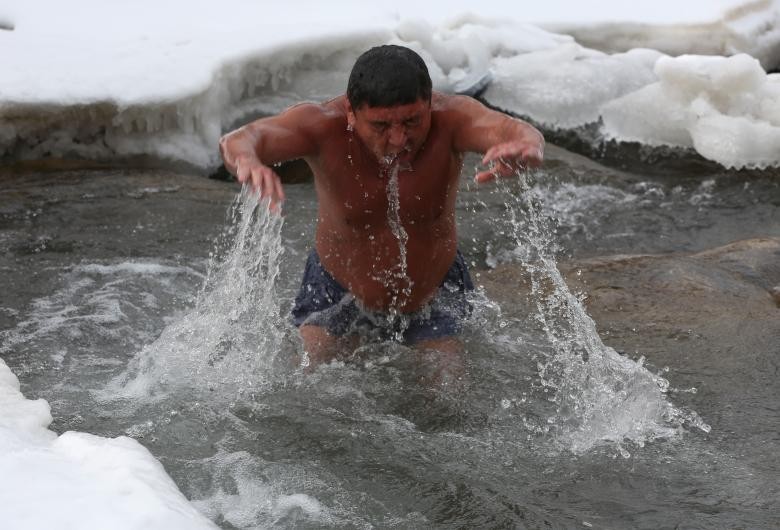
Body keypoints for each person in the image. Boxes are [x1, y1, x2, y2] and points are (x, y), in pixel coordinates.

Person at [219, 45, 544, 371]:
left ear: (430, 103)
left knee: (449, 392)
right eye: (381, 126)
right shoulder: (320, 126)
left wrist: (528, 144)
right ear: (350, 111)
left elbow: (509, 128)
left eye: (413, 121)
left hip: (433, 287)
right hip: (337, 285)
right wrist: (246, 160)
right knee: (308, 374)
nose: (399, 139)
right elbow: (242, 139)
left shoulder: (453, 120)